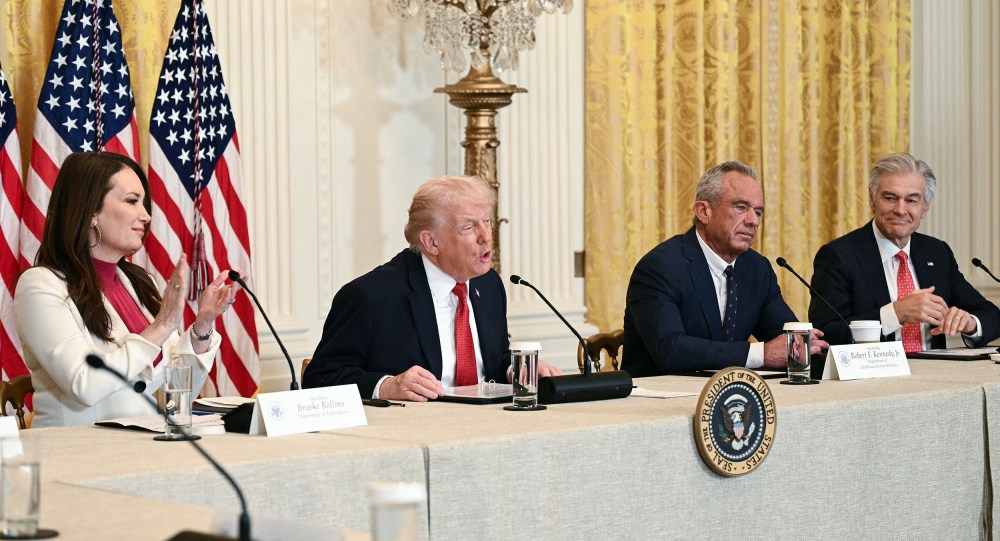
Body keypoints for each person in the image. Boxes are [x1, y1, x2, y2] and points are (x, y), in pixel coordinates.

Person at [13, 152, 237, 428]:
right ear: (91, 212)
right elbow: (85, 384)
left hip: (146, 448)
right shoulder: (40, 285)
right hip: (76, 454)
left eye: (144, 204)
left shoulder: (140, 283)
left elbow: (177, 391)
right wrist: (162, 325)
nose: (146, 215)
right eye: (132, 201)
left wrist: (202, 327)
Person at [304, 175, 562, 401]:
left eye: (487, 221)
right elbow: (320, 378)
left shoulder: (489, 284)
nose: (486, 236)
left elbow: (494, 359)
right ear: (431, 242)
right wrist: (387, 386)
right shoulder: (371, 297)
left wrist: (516, 370)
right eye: (469, 227)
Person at [622, 161, 827, 376]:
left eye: (758, 212)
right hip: (658, 401)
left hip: (732, 398)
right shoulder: (661, 267)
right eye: (741, 207)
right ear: (703, 211)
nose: (753, 221)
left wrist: (807, 347)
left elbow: (787, 339)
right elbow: (670, 350)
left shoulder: (756, 269)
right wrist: (760, 353)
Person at [809, 152, 1000, 349]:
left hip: (937, 374)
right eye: (890, 198)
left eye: (912, 200)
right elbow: (825, 333)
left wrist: (969, 323)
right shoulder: (839, 256)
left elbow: (992, 316)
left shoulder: (936, 252)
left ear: (924, 208)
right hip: (875, 377)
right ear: (872, 200)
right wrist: (895, 313)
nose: (900, 210)